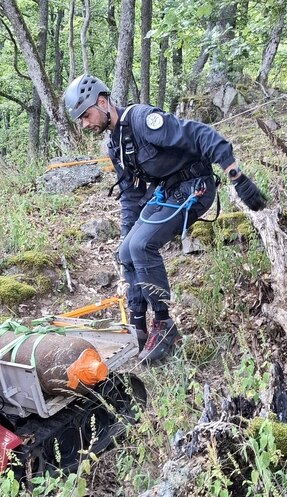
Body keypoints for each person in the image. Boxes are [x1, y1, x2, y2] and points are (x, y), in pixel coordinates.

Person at [63, 74, 268, 364]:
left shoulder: (143, 120)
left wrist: (237, 177)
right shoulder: (116, 145)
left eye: (85, 115)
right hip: (167, 194)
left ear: (102, 101)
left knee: (141, 246)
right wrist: (125, 234)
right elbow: (131, 197)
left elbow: (202, 135)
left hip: (195, 187)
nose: (85, 124)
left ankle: (164, 323)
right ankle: (138, 326)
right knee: (126, 250)